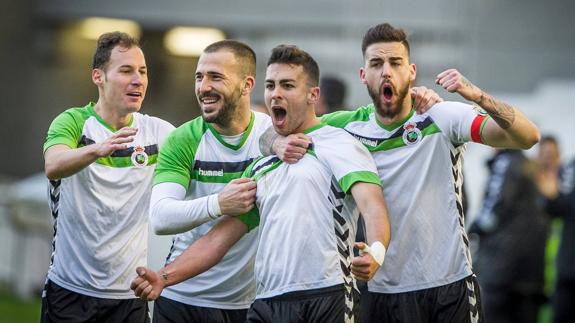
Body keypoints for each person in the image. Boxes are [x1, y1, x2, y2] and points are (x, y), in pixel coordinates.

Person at [264, 22, 540, 323]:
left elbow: (528, 137)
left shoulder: (442, 117)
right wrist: (277, 142)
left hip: (450, 287)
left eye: (395, 63)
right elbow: (272, 131)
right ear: (362, 75)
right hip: (381, 292)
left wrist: (474, 94)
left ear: (411, 72)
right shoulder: (346, 127)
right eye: (376, 63)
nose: (386, 71)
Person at [132, 44, 392, 323]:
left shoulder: (339, 143)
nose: (276, 93)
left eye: (287, 85)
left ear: (313, 95)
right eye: (271, 86)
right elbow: (218, 239)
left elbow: (373, 206)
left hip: (325, 295)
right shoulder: (262, 163)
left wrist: (376, 252)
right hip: (265, 302)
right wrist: (163, 277)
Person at [41, 32, 174, 323]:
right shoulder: (75, 122)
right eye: (126, 71)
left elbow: (206, 147)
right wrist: (98, 149)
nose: (138, 79)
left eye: (142, 71)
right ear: (98, 77)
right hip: (70, 293)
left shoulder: (158, 132)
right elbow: (54, 163)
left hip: (129, 298)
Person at [143, 40, 272, 323]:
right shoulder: (183, 139)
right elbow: (161, 217)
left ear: (247, 84)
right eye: (199, 77)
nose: (203, 87)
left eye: (216, 77)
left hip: (248, 302)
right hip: (181, 298)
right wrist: (219, 203)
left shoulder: (271, 135)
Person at [469, 148, 548, 323]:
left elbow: (494, 206)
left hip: (501, 267)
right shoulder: (530, 164)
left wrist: (471, 230)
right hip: (530, 269)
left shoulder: (505, 162)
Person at [537, 136, 575, 323]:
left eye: (552, 154)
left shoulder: (567, 174)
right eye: (544, 154)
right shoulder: (570, 168)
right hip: (561, 265)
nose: (547, 159)